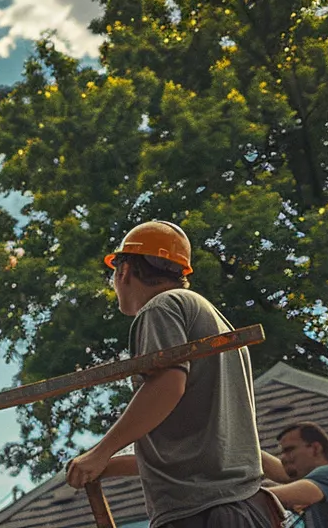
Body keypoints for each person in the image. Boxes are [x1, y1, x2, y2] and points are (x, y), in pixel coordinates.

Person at [65, 220, 278, 527]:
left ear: (124, 270)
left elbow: (167, 386)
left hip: (202, 513)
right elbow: (191, 454)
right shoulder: (211, 319)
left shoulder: (161, 307)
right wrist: (104, 465)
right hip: (241, 506)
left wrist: (102, 450)